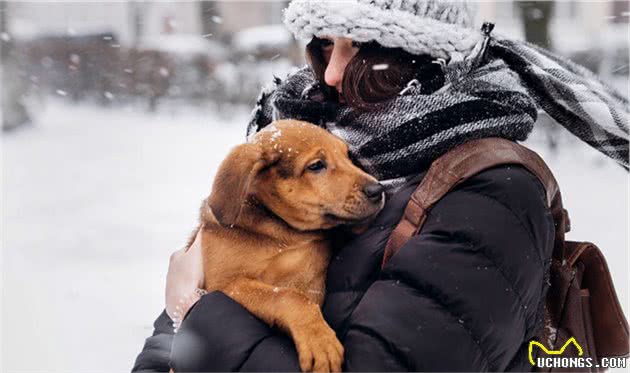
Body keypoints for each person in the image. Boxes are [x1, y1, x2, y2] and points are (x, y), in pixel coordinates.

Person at [132, 1, 629, 372]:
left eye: (360, 50)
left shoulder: (491, 196)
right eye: (324, 46)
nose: (329, 74)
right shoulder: (298, 160)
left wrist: (194, 312)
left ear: (429, 58)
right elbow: (174, 336)